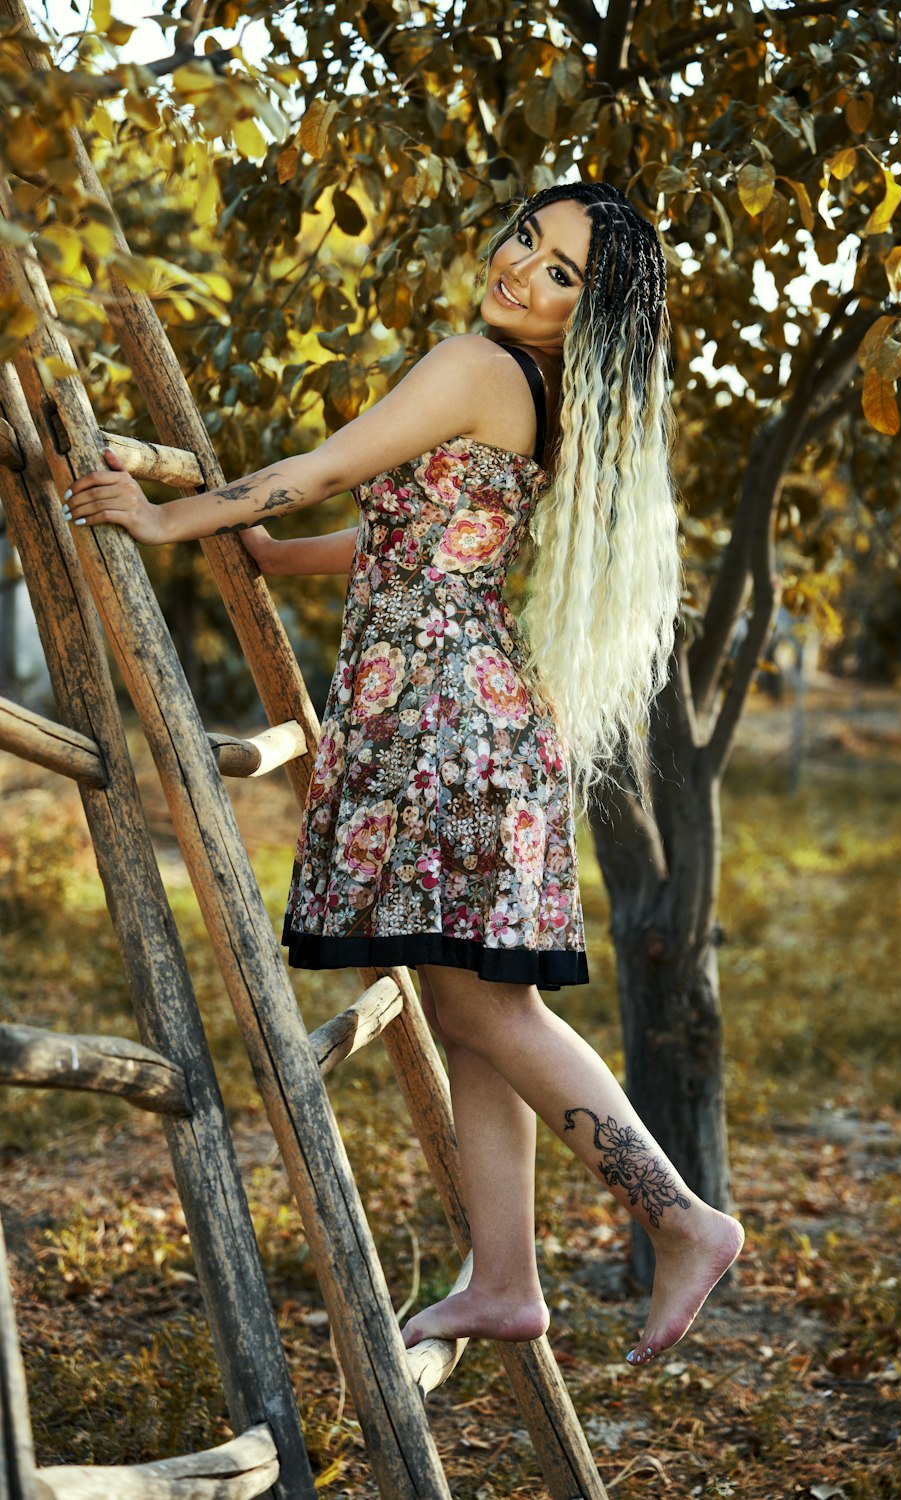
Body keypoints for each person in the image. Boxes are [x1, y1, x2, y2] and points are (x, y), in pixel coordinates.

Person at [64, 181, 743, 1365]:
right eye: (527, 237)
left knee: (481, 999)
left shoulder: (479, 365)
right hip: (466, 720)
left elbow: (326, 464)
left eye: (562, 273)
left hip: (440, 727)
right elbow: (416, 543)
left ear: (591, 316)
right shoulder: (539, 395)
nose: (521, 267)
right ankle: (506, 1276)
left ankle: (680, 1216)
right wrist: (275, 555)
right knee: (466, 998)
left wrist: (175, 522)